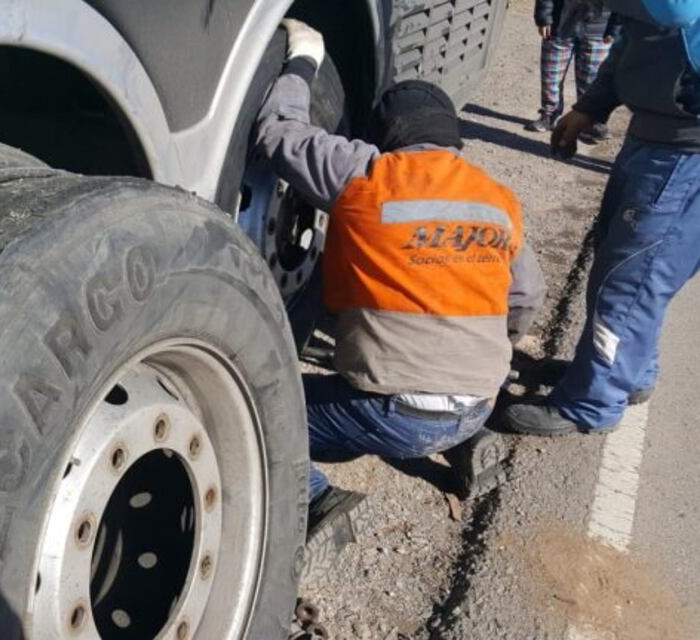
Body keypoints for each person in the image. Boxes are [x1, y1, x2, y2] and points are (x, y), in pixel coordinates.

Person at [255, 20, 547, 539]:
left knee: (256, 410)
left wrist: (302, 60)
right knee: (429, 389)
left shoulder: (366, 173)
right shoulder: (497, 198)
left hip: (389, 414)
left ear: (386, 134)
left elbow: (280, 133)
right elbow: (526, 298)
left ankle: (317, 500)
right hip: (481, 402)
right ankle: (465, 443)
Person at [505, 0, 700, 436]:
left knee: (632, 281)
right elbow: (634, 39)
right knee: (622, 267)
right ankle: (624, 374)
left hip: (687, 156)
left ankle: (591, 403)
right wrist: (591, 107)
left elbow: (676, 11)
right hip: (654, 137)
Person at [527, 0, 621, 141]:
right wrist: (544, 17)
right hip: (560, 26)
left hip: (599, 30)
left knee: (592, 79)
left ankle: (589, 121)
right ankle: (549, 114)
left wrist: (615, 29)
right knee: (551, 76)